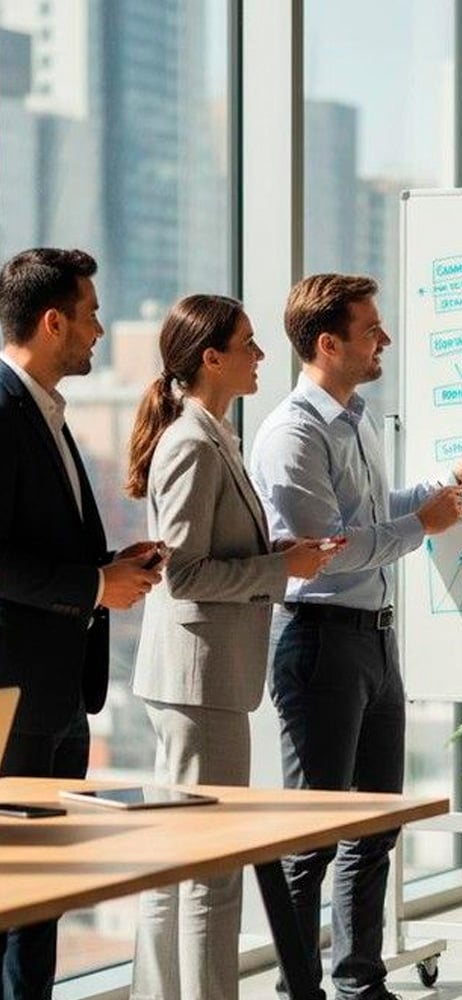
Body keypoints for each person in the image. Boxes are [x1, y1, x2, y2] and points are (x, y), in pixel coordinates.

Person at [249, 273, 462, 1000]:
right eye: (371, 330)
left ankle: (360, 984)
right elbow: (329, 545)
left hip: (374, 644)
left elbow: (374, 510)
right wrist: (420, 529)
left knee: (376, 827)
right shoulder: (292, 434)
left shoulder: (354, 418)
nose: (383, 340)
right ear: (328, 344)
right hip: (323, 644)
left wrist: (452, 481)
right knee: (313, 840)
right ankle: (297, 991)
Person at [124, 294, 340, 1000]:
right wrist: (282, 570)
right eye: (248, 344)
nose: (260, 355)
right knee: (211, 870)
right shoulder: (191, 441)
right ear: (211, 357)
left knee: (177, 861)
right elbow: (182, 575)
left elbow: (206, 554)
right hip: (200, 679)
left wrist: (278, 553)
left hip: (200, 677)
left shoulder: (214, 435)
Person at [0, 248, 163, 999]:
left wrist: (110, 562)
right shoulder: (2, 408)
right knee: (14, 894)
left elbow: (41, 545)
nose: (99, 330)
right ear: (53, 319)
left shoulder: (47, 411)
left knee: (44, 900)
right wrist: (98, 584)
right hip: (15, 699)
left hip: (62, 699)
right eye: (91, 314)